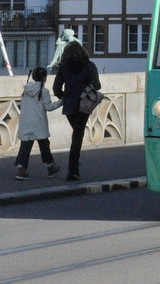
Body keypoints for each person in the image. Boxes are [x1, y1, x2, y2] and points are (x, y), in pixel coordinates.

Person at [53, 40, 101, 181]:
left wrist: (65, 97)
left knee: (77, 134)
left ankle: (74, 168)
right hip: (84, 104)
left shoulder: (63, 68)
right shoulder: (89, 66)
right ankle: (72, 170)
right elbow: (97, 85)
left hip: (69, 106)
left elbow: (56, 89)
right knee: (77, 136)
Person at [14, 67, 62, 180]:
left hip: (26, 122)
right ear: (45, 78)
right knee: (44, 145)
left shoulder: (26, 89)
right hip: (39, 123)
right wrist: (62, 101)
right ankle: (50, 167)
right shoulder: (43, 91)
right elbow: (49, 107)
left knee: (25, 146)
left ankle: (21, 169)